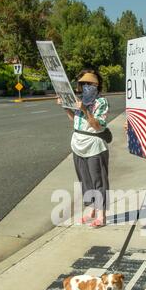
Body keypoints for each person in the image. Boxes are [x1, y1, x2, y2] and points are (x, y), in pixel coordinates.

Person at [57, 69, 109, 228]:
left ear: (97, 84)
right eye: (83, 83)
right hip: (78, 143)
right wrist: (66, 107)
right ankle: (91, 209)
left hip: (94, 144)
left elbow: (98, 126)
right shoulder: (79, 100)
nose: (86, 86)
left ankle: (101, 214)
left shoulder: (101, 102)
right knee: (85, 179)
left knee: (98, 180)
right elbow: (76, 120)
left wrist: (85, 110)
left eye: (90, 83)